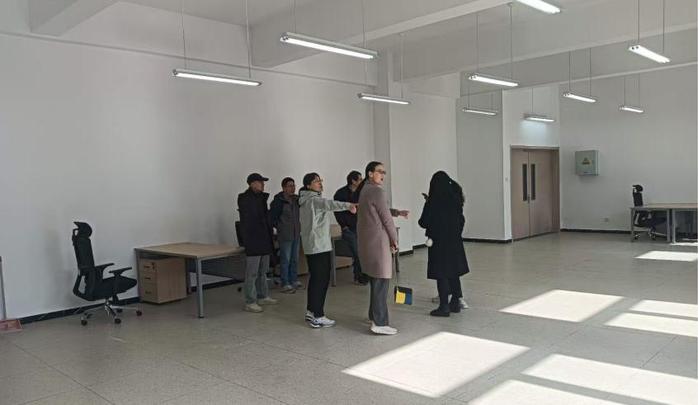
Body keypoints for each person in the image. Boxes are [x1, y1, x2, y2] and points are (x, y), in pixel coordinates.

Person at [299, 172, 357, 328]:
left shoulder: (305, 200)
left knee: (316, 279)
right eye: (316, 181)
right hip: (319, 246)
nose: (320, 183)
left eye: (320, 180)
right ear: (308, 185)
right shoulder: (314, 200)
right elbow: (330, 204)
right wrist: (348, 205)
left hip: (313, 245)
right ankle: (317, 315)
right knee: (321, 280)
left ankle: (311, 311)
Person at [418, 171, 470, 317]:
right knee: (454, 272)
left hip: (438, 243)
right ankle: (455, 302)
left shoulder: (433, 202)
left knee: (442, 274)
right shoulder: (456, 200)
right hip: (454, 242)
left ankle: (444, 306)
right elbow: (461, 220)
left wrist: (427, 203)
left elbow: (423, 222)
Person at [357, 161, 401, 335]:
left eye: (384, 172)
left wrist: (397, 212)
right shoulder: (377, 191)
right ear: (370, 173)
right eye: (379, 171)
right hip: (379, 241)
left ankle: (373, 315)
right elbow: (386, 219)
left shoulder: (365, 190)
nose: (383, 175)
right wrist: (394, 239)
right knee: (381, 281)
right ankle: (380, 322)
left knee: (376, 280)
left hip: (369, 241)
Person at [237, 173, 278, 313]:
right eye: (260, 182)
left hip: (264, 239)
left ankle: (263, 296)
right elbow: (252, 220)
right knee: (252, 273)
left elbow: (265, 218)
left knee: (263, 271)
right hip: (253, 241)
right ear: (252, 183)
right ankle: (250, 301)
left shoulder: (261, 198)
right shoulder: (244, 198)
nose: (263, 184)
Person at [334, 170, 367, 285]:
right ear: (353, 181)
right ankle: (359, 277)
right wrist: (344, 226)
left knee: (362, 253)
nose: (362, 181)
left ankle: (362, 276)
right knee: (357, 253)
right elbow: (337, 211)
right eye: (360, 179)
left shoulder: (361, 193)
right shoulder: (341, 194)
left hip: (361, 227)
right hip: (349, 229)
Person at [270, 177, 302, 293]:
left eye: (294, 185)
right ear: (283, 188)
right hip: (285, 235)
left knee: (295, 259)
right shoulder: (278, 201)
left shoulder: (297, 200)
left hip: (296, 233)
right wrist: (280, 227)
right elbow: (272, 218)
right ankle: (285, 282)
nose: (292, 188)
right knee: (285, 259)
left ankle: (294, 280)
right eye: (290, 186)